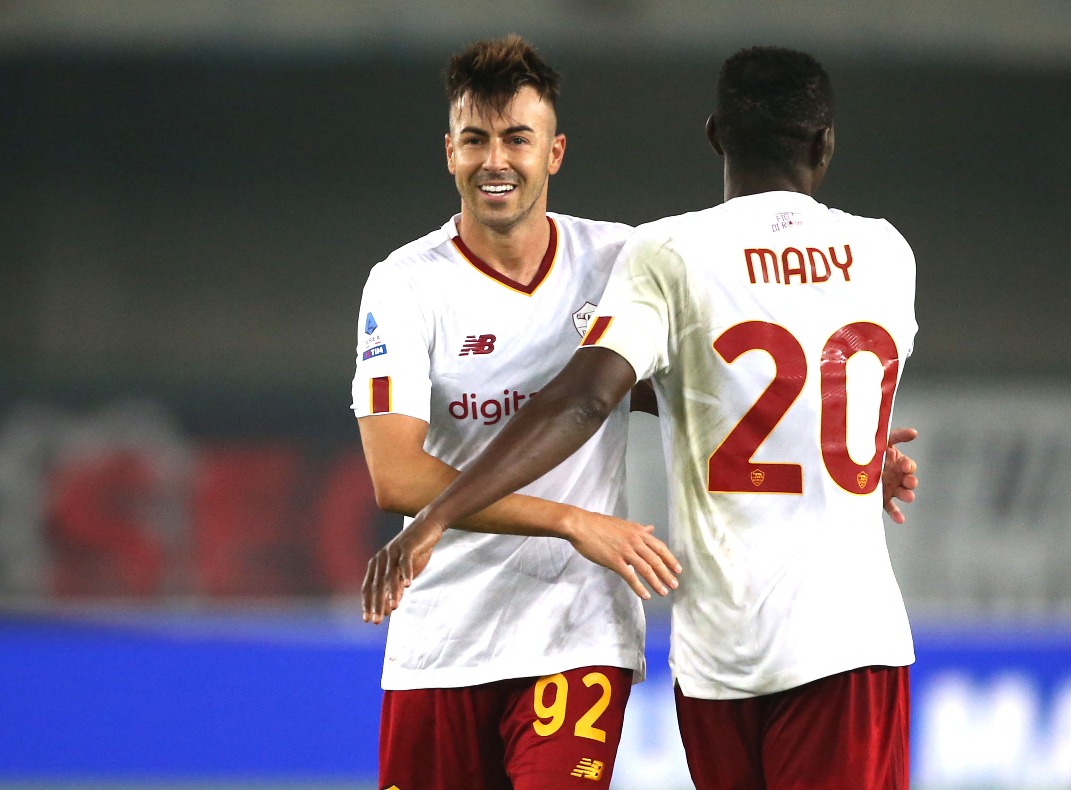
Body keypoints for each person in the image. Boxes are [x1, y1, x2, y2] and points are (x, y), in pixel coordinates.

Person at [389, 46, 921, 788]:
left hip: (716, 657)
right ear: (823, 142)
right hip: (846, 637)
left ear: (713, 135)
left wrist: (439, 512)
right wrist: (849, 445)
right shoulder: (885, 252)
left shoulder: (671, 249)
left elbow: (585, 398)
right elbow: (789, 370)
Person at [350, 34, 682, 790]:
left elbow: (706, 390)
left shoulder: (620, 262)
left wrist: (846, 434)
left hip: (576, 633)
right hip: (442, 638)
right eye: (475, 140)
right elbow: (396, 477)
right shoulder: (404, 284)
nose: (494, 160)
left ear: (554, 152)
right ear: (448, 152)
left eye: (515, 139)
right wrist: (571, 518)